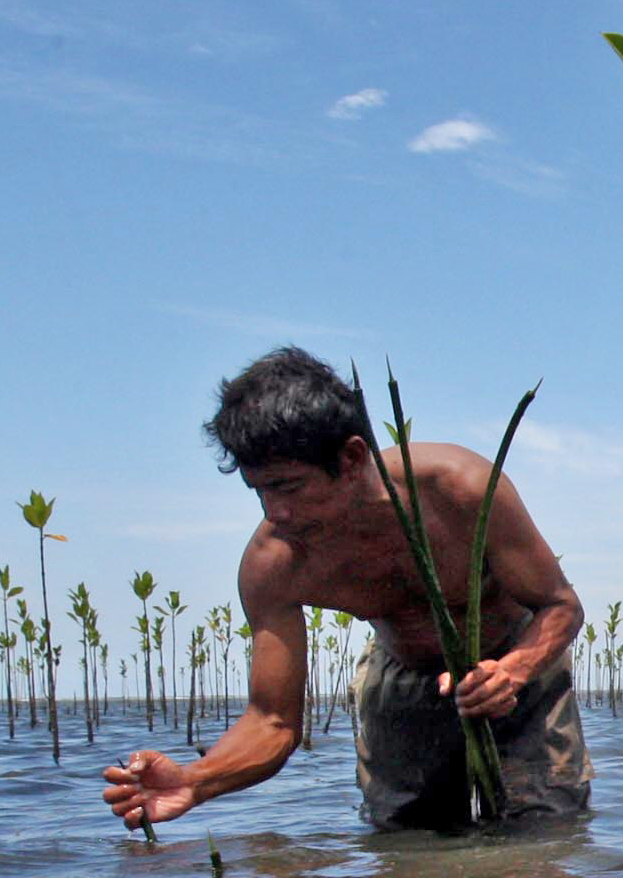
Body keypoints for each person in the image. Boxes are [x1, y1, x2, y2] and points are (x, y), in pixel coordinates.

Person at [103, 346, 594, 832]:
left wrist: (513, 671)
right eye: (259, 490)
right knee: (407, 843)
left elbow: (560, 605)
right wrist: (196, 781)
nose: (274, 512)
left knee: (544, 833)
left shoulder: (458, 489)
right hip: (400, 679)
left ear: (353, 457)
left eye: (289, 487)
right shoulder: (274, 563)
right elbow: (272, 722)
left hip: (516, 664)